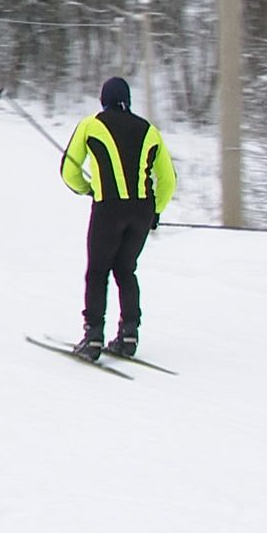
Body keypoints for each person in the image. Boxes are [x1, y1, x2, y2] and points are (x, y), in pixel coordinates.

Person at [59, 76, 177, 361]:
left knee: (98, 271)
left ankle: (93, 337)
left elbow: (68, 171)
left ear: (103, 100)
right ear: (128, 102)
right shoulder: (149, 131)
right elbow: (168, 180)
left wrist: (89, 189)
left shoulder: (91, 125)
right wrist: (155, 212)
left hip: (108, 209)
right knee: (126, 270)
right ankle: (129, 333)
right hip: (141, 212)